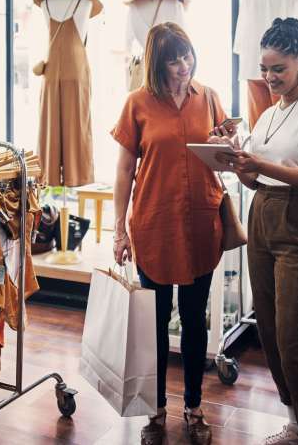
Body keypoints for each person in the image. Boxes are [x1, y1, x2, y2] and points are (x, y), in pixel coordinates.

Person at [212, 17, 298, 445]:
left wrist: (261, 166)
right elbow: (256, 180)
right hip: (264, 216)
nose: (270, 78)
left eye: (279, 69)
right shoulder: (271, 113)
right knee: (269, 334)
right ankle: (295, 424)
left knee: (294, 343)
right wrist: (234, 155)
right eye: (265, 69)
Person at [111, 22, 233, 445]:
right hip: (154, 225)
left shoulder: (210, 97)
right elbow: (125, 171)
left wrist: (228, 144)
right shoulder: (137, 103)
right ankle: (157, 408)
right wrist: (118, 232)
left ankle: (194, 406)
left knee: (195, 321)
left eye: (187, 56)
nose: (183, 66)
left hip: (201, 223)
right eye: (173, 59)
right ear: (156, 63)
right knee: (156, 323)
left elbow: (223, 159)